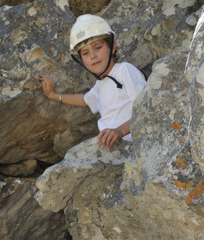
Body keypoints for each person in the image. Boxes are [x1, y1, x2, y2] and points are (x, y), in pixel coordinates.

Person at [39, 14, 146, 148]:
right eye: (85, 53)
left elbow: (147, 109)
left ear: (112, 47)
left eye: (98, 47)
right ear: (81, 60)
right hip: (112, 147)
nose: (93, 56)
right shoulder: (100, 86)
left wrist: (120, 131)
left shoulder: (124, 71)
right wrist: (53, 96)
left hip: (135, 144)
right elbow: (84, 100)